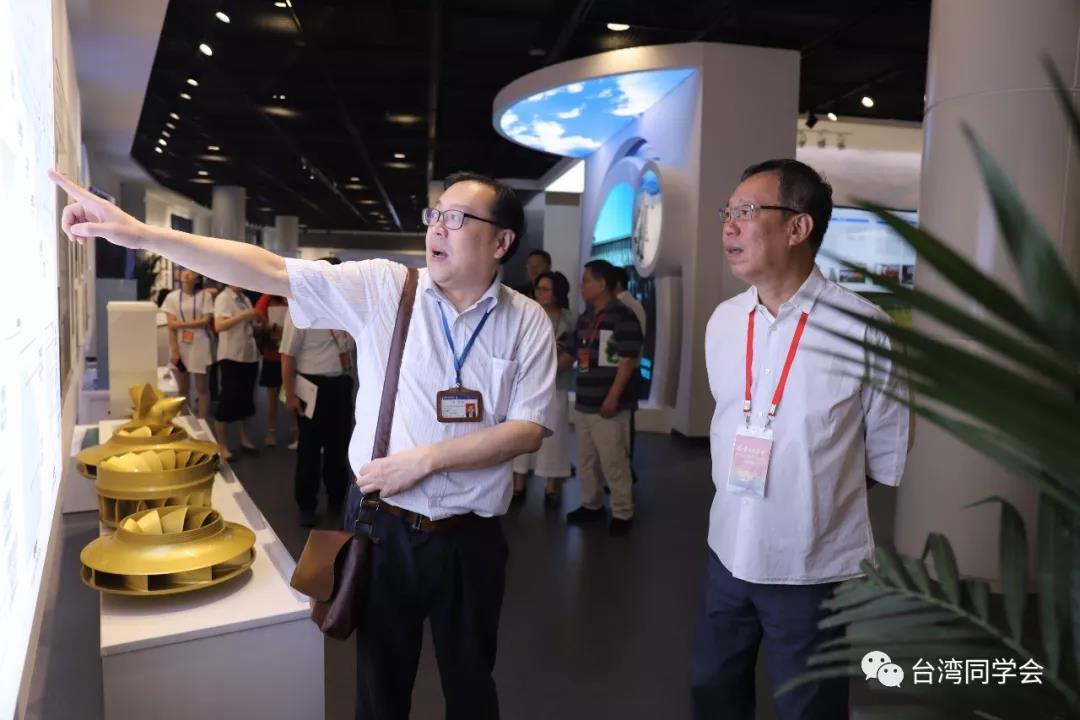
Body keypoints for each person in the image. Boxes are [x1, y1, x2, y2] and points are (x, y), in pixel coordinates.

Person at [49, 168, 555, 720]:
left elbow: (528, 428)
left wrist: (425, 461)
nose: (437, 228)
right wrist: (140, 234)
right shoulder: (389, 288)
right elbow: (268, 268)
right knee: (381, 689)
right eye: (435, 215)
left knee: (472, 685)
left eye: (456, 218)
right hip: (386, 529)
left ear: (501, 242)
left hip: (472, 540)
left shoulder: (526, 320)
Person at [692, 159, 911, 720]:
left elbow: (883, 451)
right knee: (713, 689)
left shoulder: (862, 328)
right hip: (727, 548)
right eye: (728, 212)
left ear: (798, 226)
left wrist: (812, 494)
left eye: (746, 211)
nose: (729, 226)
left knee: (809, 706)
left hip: (810, 563)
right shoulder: (724, 321)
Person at [564, 259, 642, 536]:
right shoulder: (586, 317)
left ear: (602, 284)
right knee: (586, 460)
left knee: (614, 460)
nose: (581, 286)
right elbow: (571, 352)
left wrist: (613, 397)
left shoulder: (623, 316)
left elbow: (628, 361)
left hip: (609, 404)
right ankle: (592, 504)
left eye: (586, 280)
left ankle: (622, 511)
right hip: (585, 401)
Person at [279, 261, 355, 528]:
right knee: (309, 449)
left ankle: (336, 497)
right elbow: (287, 356)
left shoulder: (344, 308)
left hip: (341, 384)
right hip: (311, 386)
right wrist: (290, 395)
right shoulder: (300, 309)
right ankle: (306, 504)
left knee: (339, 446)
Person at [511, 270, 575, 507]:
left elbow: (573, 349)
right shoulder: (527, 312)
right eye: (538, 288)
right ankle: (518, 483)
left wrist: (554, 366)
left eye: (546, 289)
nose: (540, 293)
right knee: (522, 430)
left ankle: (551, 486)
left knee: (555, 437)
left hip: (557, 384)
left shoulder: (568, 318)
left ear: (558, 292)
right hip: (526, 384)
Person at [213, 284, 264, 460]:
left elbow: (250, 326)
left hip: (249, 355)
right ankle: (222, 445)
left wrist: (258, 323)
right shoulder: (223, 298)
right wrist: (245, 315)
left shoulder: (245, 299)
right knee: (227, 401)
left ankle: (245, 439)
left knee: (247, 400)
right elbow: (219, 326)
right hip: (231, 356)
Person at [162, 269, 214, 418]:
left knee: (202, 389)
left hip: (200, 344)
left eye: (192, 272)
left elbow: (205, 321)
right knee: (182, 389)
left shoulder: (205, 296)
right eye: (185, 270)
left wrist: (179, 324)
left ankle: (202, 421)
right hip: (180, 344)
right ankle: (185, 421)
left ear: (197, 278)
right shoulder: (172, 297)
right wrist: (174, 350)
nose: (186, 274)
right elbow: (171, 326)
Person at [611, 265, 646, 483]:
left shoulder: (623, 307)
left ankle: (621, 472)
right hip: (633, 368)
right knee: (625, 422)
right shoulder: (635, 304)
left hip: (626, 369)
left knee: (621, 424)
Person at [254, 293, 290, 447]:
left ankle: (297, 432)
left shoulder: (293, 295)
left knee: (293, 395)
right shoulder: (267, 297)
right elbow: (257, 315)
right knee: (272, 397)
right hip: (272, 353)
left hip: (291, 354)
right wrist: (266, 324)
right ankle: (271, 431)